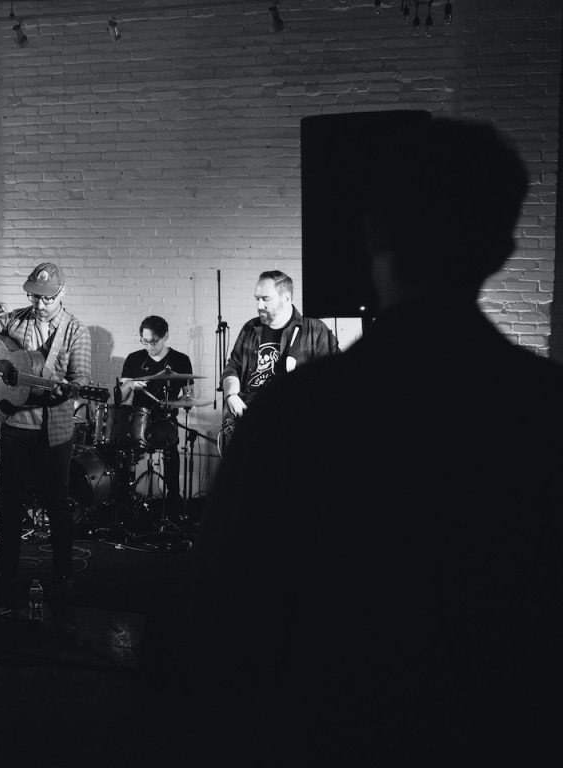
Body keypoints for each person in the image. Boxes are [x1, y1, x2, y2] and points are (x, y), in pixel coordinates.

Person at [191, 118, 563, 766]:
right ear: (503, 250)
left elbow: (221, 617)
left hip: (327, 726)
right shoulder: (543, 407)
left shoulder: (297, 413)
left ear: (372, 234)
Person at [0, 262, 91, 607]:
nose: (40, 304)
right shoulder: (13, 319)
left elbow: (81, 378)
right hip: (16, 424)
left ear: (62, 293)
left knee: (57, 504)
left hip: (55, 428)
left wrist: (68, 389)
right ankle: (6, 576)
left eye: (47, 298)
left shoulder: (76, 331)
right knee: (10, 503)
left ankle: (63, 577)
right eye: (35, 296)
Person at [219, 270, 340, 442]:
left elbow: (335, 377)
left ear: (286, 298)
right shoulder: (250, 328)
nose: (259, 305)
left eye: (265, 299)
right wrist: (231, 396)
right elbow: (232, 366)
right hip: (249, 421)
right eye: (257, 299)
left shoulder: (315, 330)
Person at [119, 315, 194, 517]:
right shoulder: (134, 359)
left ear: (165, 336)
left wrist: (173, 402)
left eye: (153, 341)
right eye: (144, 341)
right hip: (138, 418)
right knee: (121, 453)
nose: (149, 346)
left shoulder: (180, 360)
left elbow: (189, 399)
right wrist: (130, 384)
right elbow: (121, 397)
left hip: (165, 420)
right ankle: (124, 500)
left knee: (171, 452)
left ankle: (173, 501)